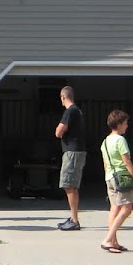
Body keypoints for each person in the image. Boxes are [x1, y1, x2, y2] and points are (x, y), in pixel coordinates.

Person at [99, 110, 133, 252]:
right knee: (127, 208)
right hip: (121, 177)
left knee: (114, 208)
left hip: (110, 177)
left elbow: (105, 163)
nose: (127, 126)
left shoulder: (105, 141)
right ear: (119, 124)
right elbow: (127, 161)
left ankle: (114, 242)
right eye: (125, 123)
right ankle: (108, 239)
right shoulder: (120, 140)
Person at [55, 86, 86, 231]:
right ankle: (73, 217)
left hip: (72, 152)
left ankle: (75, 220)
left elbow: (59, 131)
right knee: (70, 185)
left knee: (69, 184)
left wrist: (58, 131)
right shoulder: (77, 111)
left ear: (63, 97)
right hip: (76, 151)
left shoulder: (70, 111)